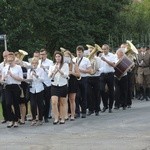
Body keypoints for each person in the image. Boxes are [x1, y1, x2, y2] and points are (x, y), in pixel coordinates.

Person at [1, 52, 23, 128]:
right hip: (7, 87)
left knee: (16, 103)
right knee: (7, 103)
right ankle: (11, 119)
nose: (9, 61)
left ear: (13, 59)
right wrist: (3, 79)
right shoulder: (4, 68)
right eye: (8, 60)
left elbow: (21, 79)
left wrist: (12, 75)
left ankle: (16, 120)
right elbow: (2, 79)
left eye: (11, 60)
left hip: (16, 86)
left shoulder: (18, 67)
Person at [49, 51, 69, 124]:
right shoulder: (52, 66)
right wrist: (53, 72)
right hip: (54, 85)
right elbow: (49, 76)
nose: (57, 58)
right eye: (56, 56)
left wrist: (59, 70)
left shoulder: (65, 65)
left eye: (59, 56)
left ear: (61, 57)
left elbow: (66, 75)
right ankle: (56, 118)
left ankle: (62, 118)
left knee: (62, 103)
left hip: (63, 85)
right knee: (54, 102)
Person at [74, 45, 92, 118]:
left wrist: (80, 70)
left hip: (84, 78)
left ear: (83, 52)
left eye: (80, 52)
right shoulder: (74, 60)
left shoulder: (86, 60)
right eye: (78, 52)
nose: (79, 54)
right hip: (75, 79)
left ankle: (84, 111)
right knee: (77, 96)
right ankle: (77, 112)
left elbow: (90, 70)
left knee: (84, 95)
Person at [27, 57, 45, 126]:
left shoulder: (40, 70)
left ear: (37, 63)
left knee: (40, 104)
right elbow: (28, 79)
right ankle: (34, 119)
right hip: (32, 89)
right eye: (33, 63)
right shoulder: (29, 70)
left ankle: (40, 119)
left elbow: (42, 80)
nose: (34, 64)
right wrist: (29, 79)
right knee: (32, 104)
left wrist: (36, 76)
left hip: (39, 89)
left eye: (35, 63)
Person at [63, 50, 80, 121]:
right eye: (65, 56)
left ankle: (73, 114)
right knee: (65, 99)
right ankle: (66, 114)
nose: (66, 58)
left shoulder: (74, 64)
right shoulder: (62, 64)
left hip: (72, 81)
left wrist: (72, 72)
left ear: (70, 57)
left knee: (72, 99)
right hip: (64, 81)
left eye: (68, 56)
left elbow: (78, 75)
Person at [99, 44, 116, 113]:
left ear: (108, 49)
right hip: (102, 74)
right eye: (102, 49)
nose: (104, 50)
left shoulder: (112, 55)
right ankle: (105, 105)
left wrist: (105, 60)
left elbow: (113, 65)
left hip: (110, 74)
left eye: (105, 49)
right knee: (101, 90)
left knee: (111, 91)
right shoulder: (100, 55)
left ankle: (110, 107)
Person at [39, 49, 53, 122]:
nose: (42, 56)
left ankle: (46, 116)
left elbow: (51, 73)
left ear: (46, 55)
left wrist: (44, 68)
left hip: (47, 83)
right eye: (41, 54)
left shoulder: (50, 62)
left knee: (47, 101)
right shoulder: (37, 62)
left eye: (43, 54)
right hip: (40, 84)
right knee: (40, 101)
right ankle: (41, 115)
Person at [0, 50, 9, 123]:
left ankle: (13, 117)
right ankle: (6, 117)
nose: (5, 57)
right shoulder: (1, 65)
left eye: (7, 56)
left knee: (10, 102)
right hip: (3, 84)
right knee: (3, 101)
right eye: (4, 56)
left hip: (10, 84)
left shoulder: (11, 64)